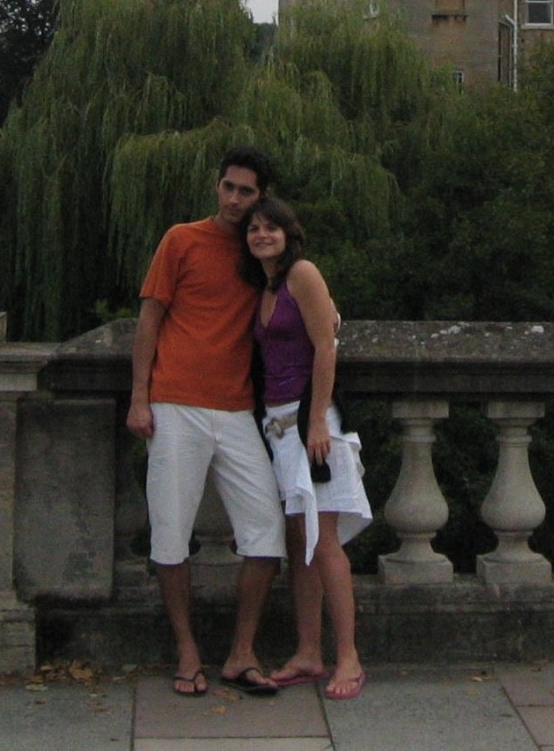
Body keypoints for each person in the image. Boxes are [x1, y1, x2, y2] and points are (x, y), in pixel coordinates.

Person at [128, 147, 287, 698]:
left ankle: (241, 653)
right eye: (228, 187)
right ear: (217, 186)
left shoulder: (258, 249)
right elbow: (149, 318)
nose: (234, 199)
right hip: (175, 403)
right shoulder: (181, 239)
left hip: (237, 408)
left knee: (267, 531)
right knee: (170, 531)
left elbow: (293, 295)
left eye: (246, 191)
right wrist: (139, 397)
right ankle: (188, 650)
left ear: (260, 196)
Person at [239, 197, 372, 702]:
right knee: (302, 541)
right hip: (278, 425)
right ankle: (309, 651)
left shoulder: (302, 274)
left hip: (310, 423)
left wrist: (316, 418)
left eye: (271, 227)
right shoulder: (267, 286)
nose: (261, 234)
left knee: (326, 540)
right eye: (253, 228)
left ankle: (348, 657)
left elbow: (325, 345)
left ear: (288, 233)